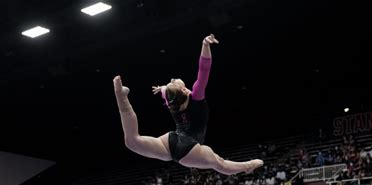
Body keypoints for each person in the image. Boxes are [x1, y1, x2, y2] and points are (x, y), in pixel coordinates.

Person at [113, 34, 263, 175]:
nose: (172, 79)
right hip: (189, 147)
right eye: (174, 82)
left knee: (132, 141)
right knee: (220, 164)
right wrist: (205, 45)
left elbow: (168, 91)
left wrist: (163, 89)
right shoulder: (196, 96)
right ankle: (247, 166)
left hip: (171, 141)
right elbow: (204, 70)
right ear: (184, 90)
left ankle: (121, 96)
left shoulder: (171, 100)